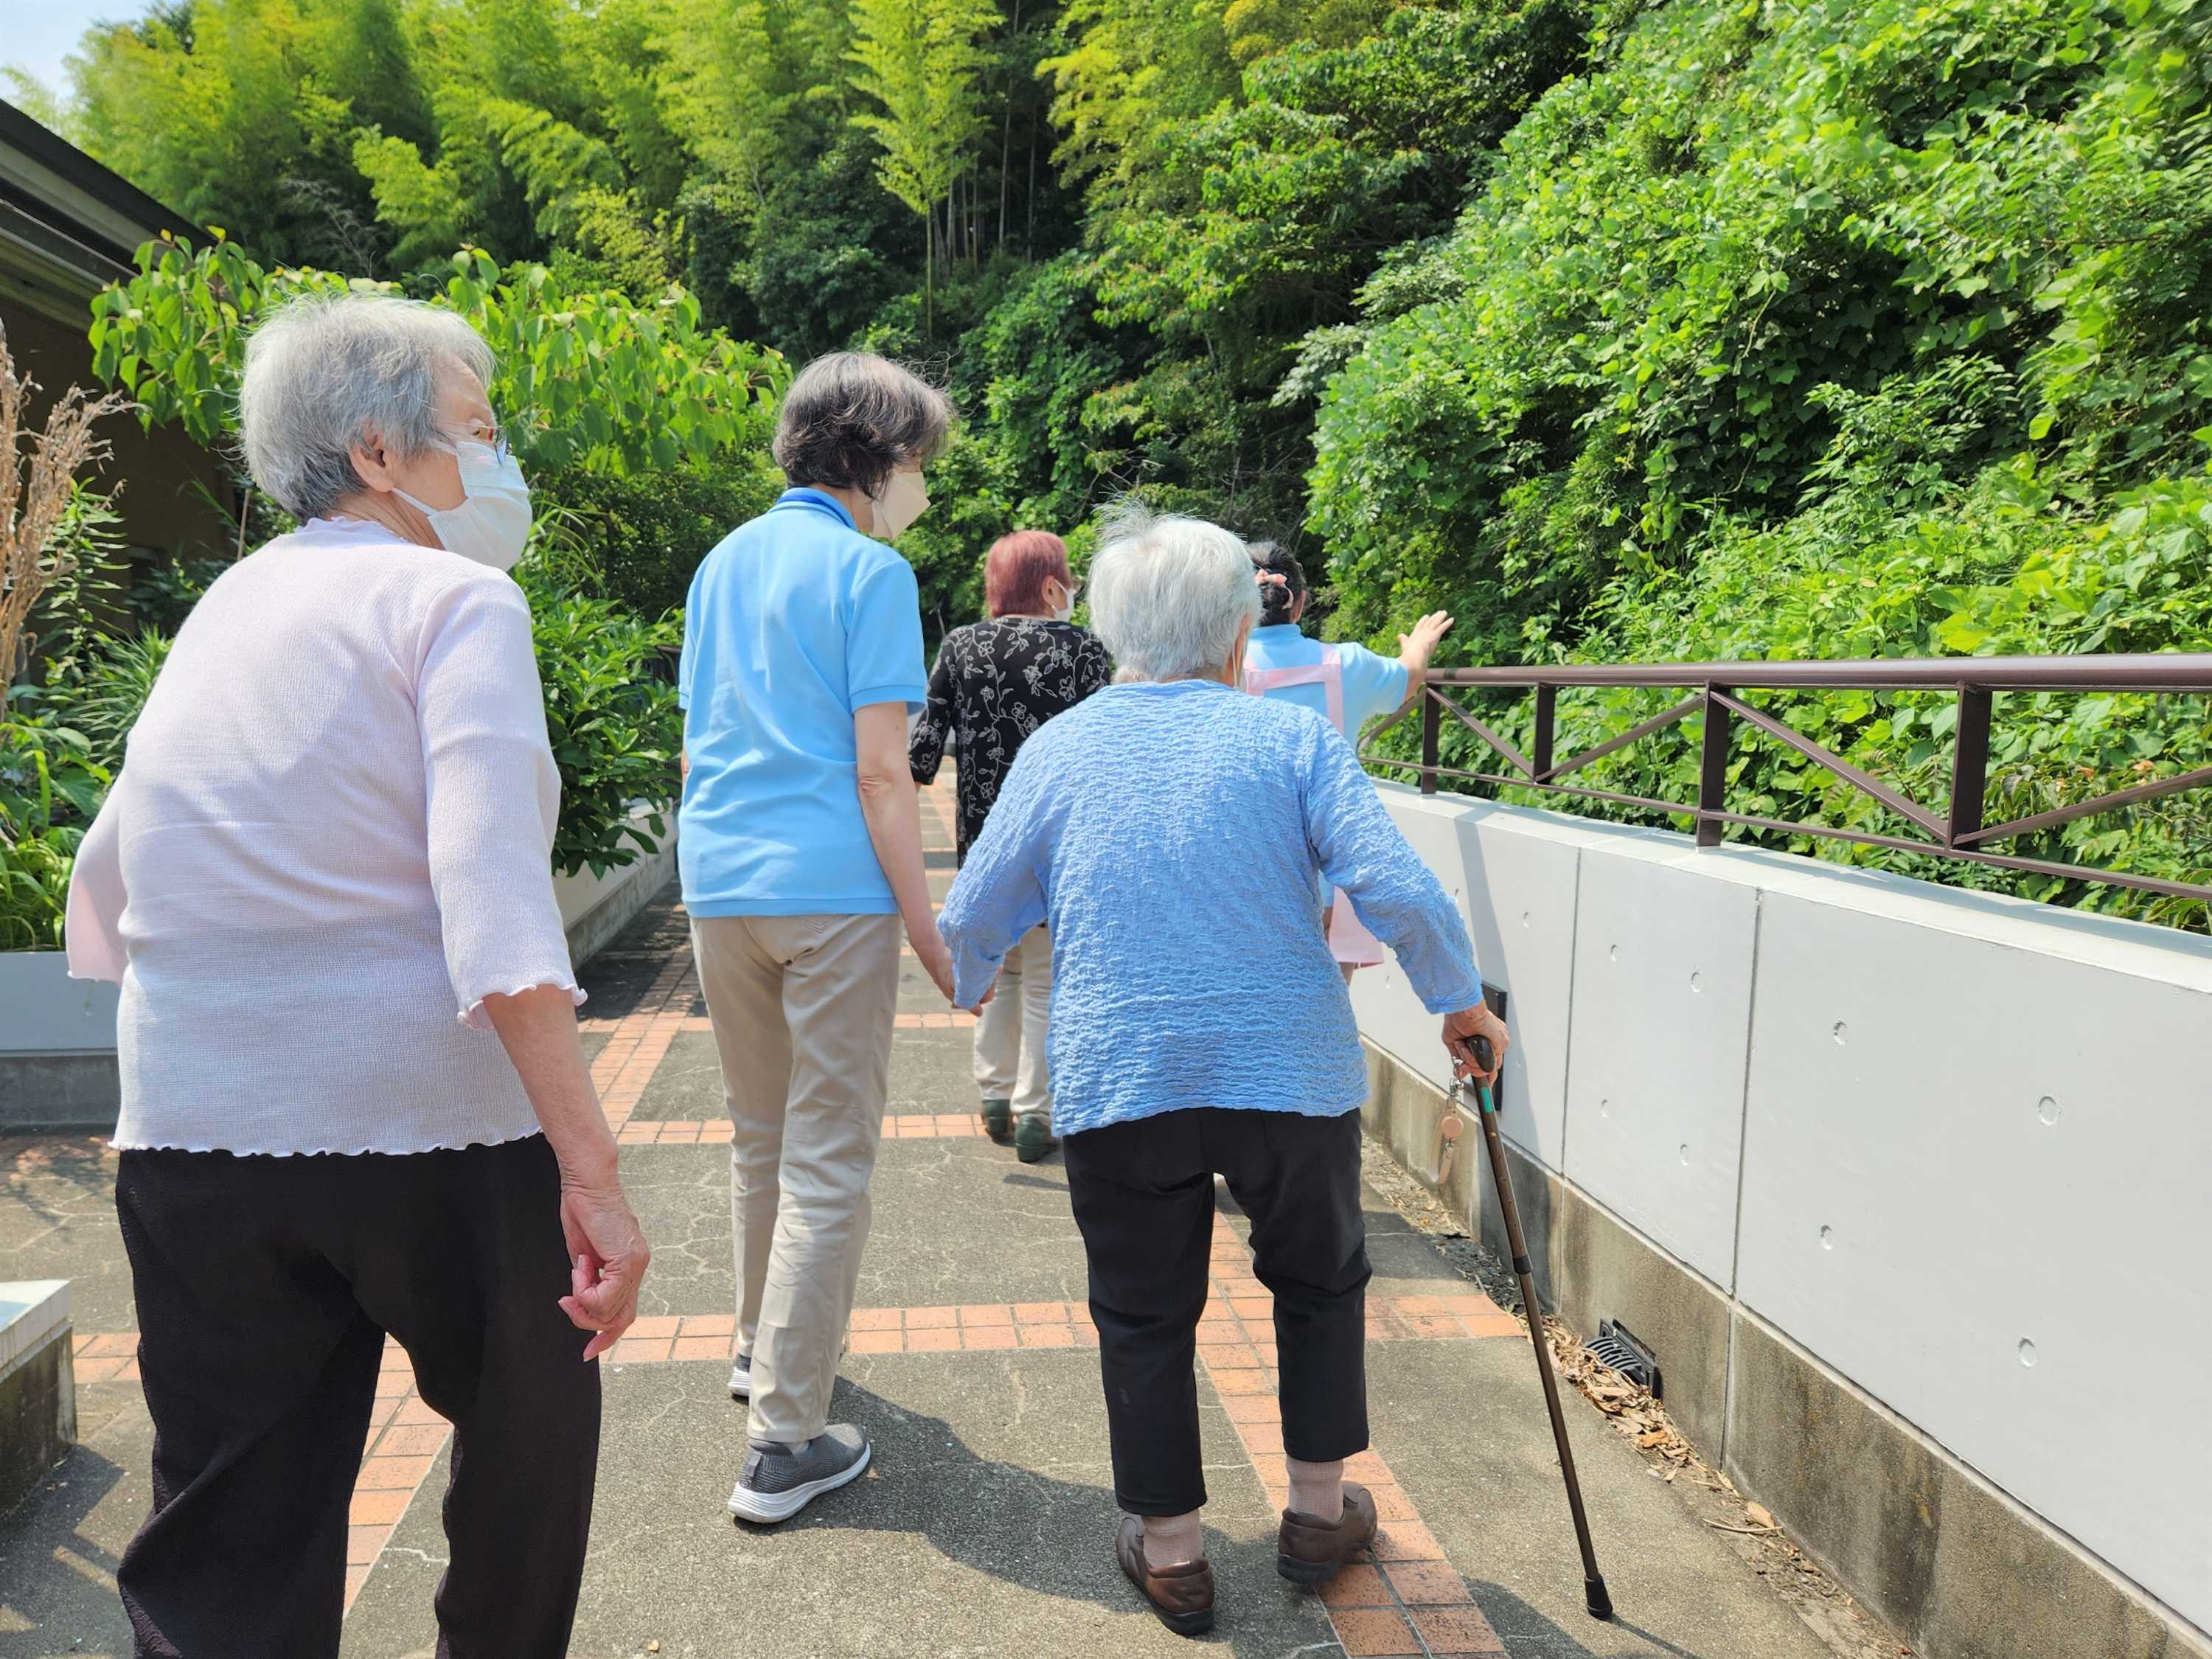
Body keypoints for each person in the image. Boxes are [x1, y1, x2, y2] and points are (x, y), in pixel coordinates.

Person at [63, 293, 650, 1659]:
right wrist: (593, 1170)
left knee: (228, 1513)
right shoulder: (456, 597)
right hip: (427, 1119)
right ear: (381, 452)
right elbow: (495, 901)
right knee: (529, 1425)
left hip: (193, 1120)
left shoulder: (229, 601)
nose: (499, 466)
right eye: (480, 431)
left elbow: (113, 859)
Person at [936, 504, 1509, 1637]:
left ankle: (1174, 1551)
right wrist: (1457, 1000)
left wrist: (968, 977)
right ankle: (1312, 1514)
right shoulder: (1291, 739)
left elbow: (976, 912)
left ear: (1110, 631)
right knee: (1319, 1280)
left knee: (1142, 1312)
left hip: (1122, 1073)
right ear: (1239, 633)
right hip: (1286, 1074)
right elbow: (1398, 887)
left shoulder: (1062, 748)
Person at [678, 350, 970, 1524]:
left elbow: (701, 737)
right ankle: (784, 1440)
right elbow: (881, 773)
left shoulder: (720, 562)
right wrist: (928, 923)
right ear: (877, 457)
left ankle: (761, 1350)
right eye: (918, 464)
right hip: (831, 893)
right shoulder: (870, 572)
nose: (921, 485)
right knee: (830, 1156)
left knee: (761, 1137)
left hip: (721, 885)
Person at [909, 530, 1110, 1162]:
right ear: (1050, 584)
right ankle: (1035, 1113)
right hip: (1062, 846)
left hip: (985, 844)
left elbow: (921, 751)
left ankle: (994, 1099)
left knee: (997, 968)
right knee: (1050, 979)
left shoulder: (961, 645)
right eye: (1069, 577)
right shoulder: (1086, 651)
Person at [1242, 541, 1452, 978]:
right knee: (1327, 1019)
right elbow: (1408, 678)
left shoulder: (1220, 671)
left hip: (1248, 875)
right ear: (1297, 603)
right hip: (1333, 874)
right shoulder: (1346, 663)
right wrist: (1419, 645)